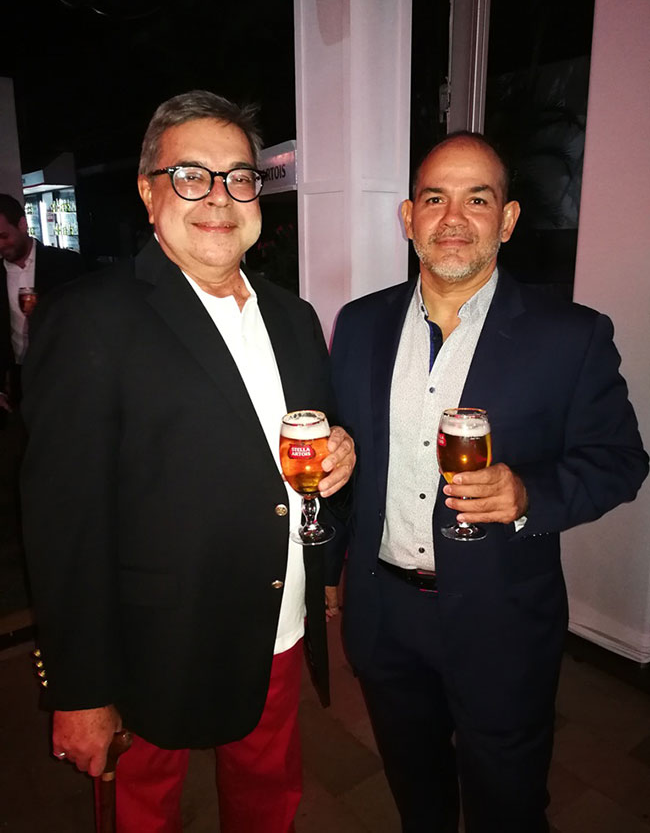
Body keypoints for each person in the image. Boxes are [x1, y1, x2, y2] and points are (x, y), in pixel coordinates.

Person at [21, 90, 355, 833]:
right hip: (151, 643)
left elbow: (311, 447)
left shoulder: (294, 317)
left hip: (275, 621)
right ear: (149, 193)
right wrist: (81, 689)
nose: (220, 197)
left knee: (268, 797)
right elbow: (64, 523)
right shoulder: (90, 318)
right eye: (192, 176)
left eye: (239, 177)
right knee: (143, 812)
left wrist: (340, 458)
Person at [327, 132, 648, 833]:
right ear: (409, 217)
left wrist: (529, 494)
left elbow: (621, 459)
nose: (453, 218)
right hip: (384, 613)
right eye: (435, 199)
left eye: (477, 199)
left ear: (507, 219)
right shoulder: (358, 325)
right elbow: (350, 454)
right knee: (418, 794)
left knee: (508, 803)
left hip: (503, 618)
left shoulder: (571, 336)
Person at [0, 193, 84, 409]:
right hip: (19, 377)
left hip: (67, 372)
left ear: (22, 225)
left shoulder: (66, 264)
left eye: (3, 236)